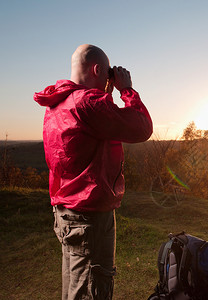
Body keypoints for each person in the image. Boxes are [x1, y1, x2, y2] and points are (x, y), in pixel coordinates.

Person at [34, 44, 153, 299]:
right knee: (92, 289)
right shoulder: (88, 103)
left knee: (75, 286)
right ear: (99, 69)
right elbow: (142, 128)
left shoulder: (58, 103)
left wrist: (106, 92)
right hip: (90, 217)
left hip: (66, 212)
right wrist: (127, 90)